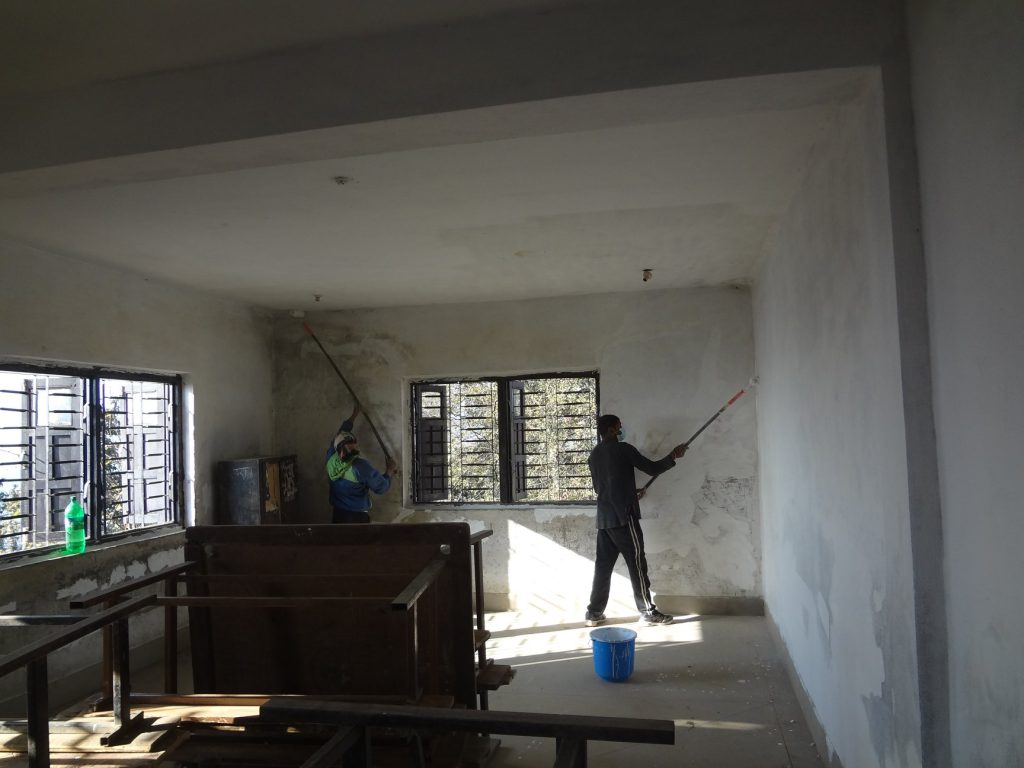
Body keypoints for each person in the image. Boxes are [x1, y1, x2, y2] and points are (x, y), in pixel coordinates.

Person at [585, 413, 686, 626]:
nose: (621, 430)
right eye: (619, 427)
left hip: (604, 519)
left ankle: (593, 613)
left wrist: (630, 492)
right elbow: (652, 468)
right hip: (624, 517)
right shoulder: (623, 449)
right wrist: (673, 456)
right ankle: (648, 612)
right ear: (611, 430)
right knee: (637, 563)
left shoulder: (594, 455)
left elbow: (601, 488)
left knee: (603, 567)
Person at [326, 404, 398, 523]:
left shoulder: (331, 456)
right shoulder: (360, 466)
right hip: (357, 518)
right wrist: (389, 471)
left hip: (338, 514)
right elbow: (381, 487)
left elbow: (341, 434)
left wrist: (354, 415)